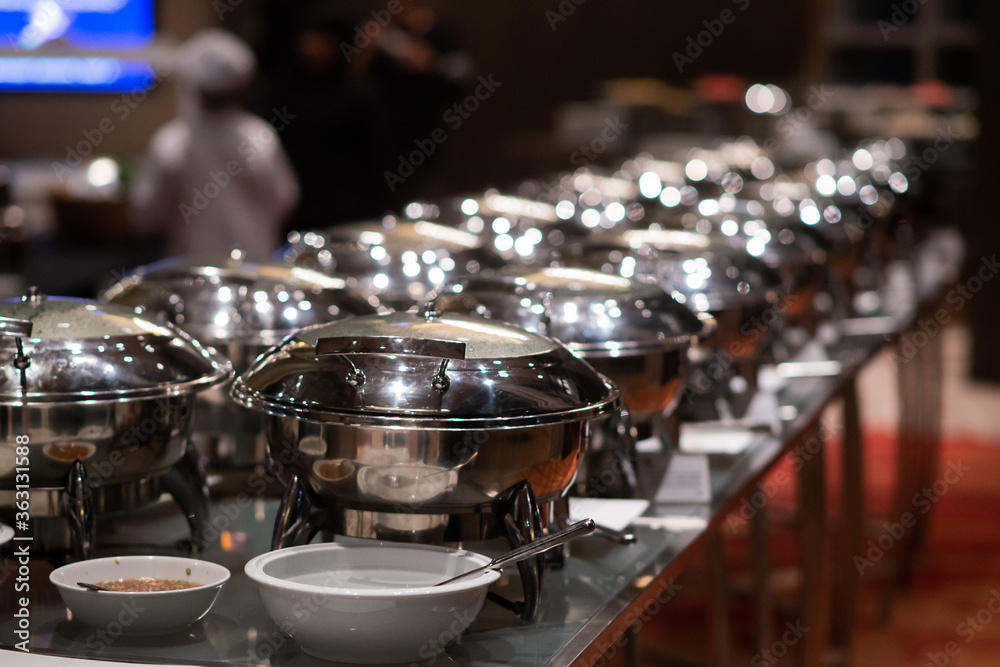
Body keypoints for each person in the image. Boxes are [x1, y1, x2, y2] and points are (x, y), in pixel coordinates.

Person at [132, 29, 299, 260]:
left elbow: (149, 215)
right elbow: (284, 201)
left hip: (192, 269)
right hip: (254, 265)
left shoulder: (171, 142)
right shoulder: (259, 136)